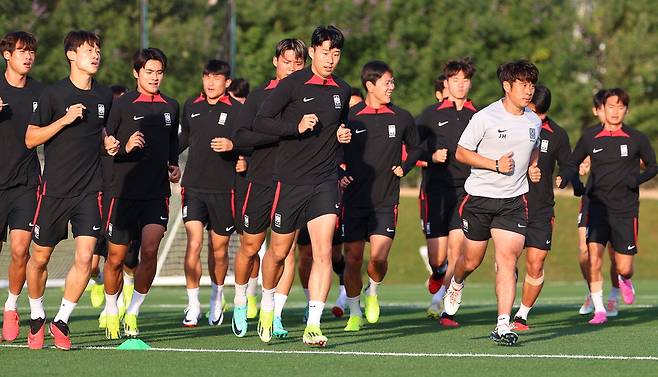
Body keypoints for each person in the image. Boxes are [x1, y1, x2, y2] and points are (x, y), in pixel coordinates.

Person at [252, 25, 351, 347]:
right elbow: (262, 121)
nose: (330, 59)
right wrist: (294, 127)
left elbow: (340, 127)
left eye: (336, 54)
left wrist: (342, 136)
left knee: (323, 253)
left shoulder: (343, 90)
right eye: (325, 52)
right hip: (290, 180)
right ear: (311, 52)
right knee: (279, 252)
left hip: (325, 181)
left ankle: (313, 325)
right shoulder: (292, 84)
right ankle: (267, 305)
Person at [25, 30, 114, 350]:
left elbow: (102, 133)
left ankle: (61, 320)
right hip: (54, 190)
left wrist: (110, 143)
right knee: (39, 259)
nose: (96, 55)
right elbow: (31, 138)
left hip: (91, 189)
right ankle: (36, 315)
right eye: (89, 50)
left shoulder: (105, 96)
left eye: (98, 50)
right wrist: (64, 120)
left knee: (87, 256)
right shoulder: (53, 95)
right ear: (71, 55)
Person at [443, 60, 542, 346]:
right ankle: (457, 282)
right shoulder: (485, 117)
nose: (528, 91)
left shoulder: (533, 120)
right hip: (480, 199)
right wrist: (494, 165)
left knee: (507, 261)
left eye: (532, 85)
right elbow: (461, 153)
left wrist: (533, 167)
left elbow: (533, 151)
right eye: (523, 85)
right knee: (471, 261)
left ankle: (502, 324)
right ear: (507, 86)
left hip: (513, 201)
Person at [231, 38, 307, 338]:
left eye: (298, 63)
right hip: (260, 180)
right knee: (250, 247)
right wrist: (284, 134)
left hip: (295, 182)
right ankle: (239, 302)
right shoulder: (260, 96)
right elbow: (241, 136)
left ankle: (273, 312)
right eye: (287, 61)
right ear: (276, 61)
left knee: (286, 251)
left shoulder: (309, 96)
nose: (292, 67)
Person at [102, 47, 180, 339]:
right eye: (149, 71)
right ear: (136, 73)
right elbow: (106, 146)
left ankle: (132, 313)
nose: (155, 77)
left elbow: (172, 145)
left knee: (149, 250)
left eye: (159, 72)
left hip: (156, 193)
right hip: (122, 192)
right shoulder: (121, 105)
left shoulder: (172, 106)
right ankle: (111, 308)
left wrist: (174, 167)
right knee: (116, 257)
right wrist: (124, 146)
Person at [341, 60, 420, 332]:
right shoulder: (350, 118)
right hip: (352, 201)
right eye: (387, 82)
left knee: (378, 259)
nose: (392, 87)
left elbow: (417, 148)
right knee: (352, 259)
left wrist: (405, 166)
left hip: (386, 201)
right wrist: (340, 173)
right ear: (370, 85)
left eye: (392, 82)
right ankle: (354, 312)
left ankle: (372, 291)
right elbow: (331, 152)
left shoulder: (401, 117)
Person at [570, 88, 657, 325]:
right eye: (611, 106)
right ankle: (599, 309)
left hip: (625, 210)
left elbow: (652, 166)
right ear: (602, 109)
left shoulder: (637, 138)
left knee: (624, 266)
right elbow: (572, 163)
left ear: (626, 110)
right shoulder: (590, 137)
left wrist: (635, 180)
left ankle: (625, 280)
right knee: (593, 257)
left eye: (620, 107)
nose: (615, 111)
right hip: (597, 208)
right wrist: (577, 183)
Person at [176, 59, 243, 328]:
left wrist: (234, 146)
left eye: (217, 78)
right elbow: (183, 140)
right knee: (193, 243)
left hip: (224, 189)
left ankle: (217, 296)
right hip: (193, 187)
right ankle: (193, 304)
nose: (211, 82)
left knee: (219, 249)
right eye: (207, 77)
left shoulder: (239, 110)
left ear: (227, 82)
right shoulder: (191, 106)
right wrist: (168, 160)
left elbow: (249, 143)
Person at [510, 85, 579, 330]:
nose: (536, 118)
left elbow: (569, 164)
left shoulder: (557, 134)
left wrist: (564, 177)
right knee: (507, 262)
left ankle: (522, 315)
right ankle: (504, 308)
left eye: (540, 114)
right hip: (511, 204)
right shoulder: (510, 126)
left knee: (536, 263)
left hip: (541, 208)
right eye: (532, 111)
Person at [415, 58, 477, 327]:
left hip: (466, 190)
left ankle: (446, 308)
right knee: (437, 258)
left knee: (457, 250)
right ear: (446, 83)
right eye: (455, 80)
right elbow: (411, 151)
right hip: (436, 191)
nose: (460, 85)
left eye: (465, 80)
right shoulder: (430, 115)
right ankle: (438, 274)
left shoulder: (479, 115)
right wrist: (430, 156)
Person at [0, 31, 44, 342]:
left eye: (31, 52)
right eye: (21, 51)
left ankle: (12, 306)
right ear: (6, 55)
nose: (27, 57)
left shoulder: (41, 93)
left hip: (26, 183)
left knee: (20, 251)